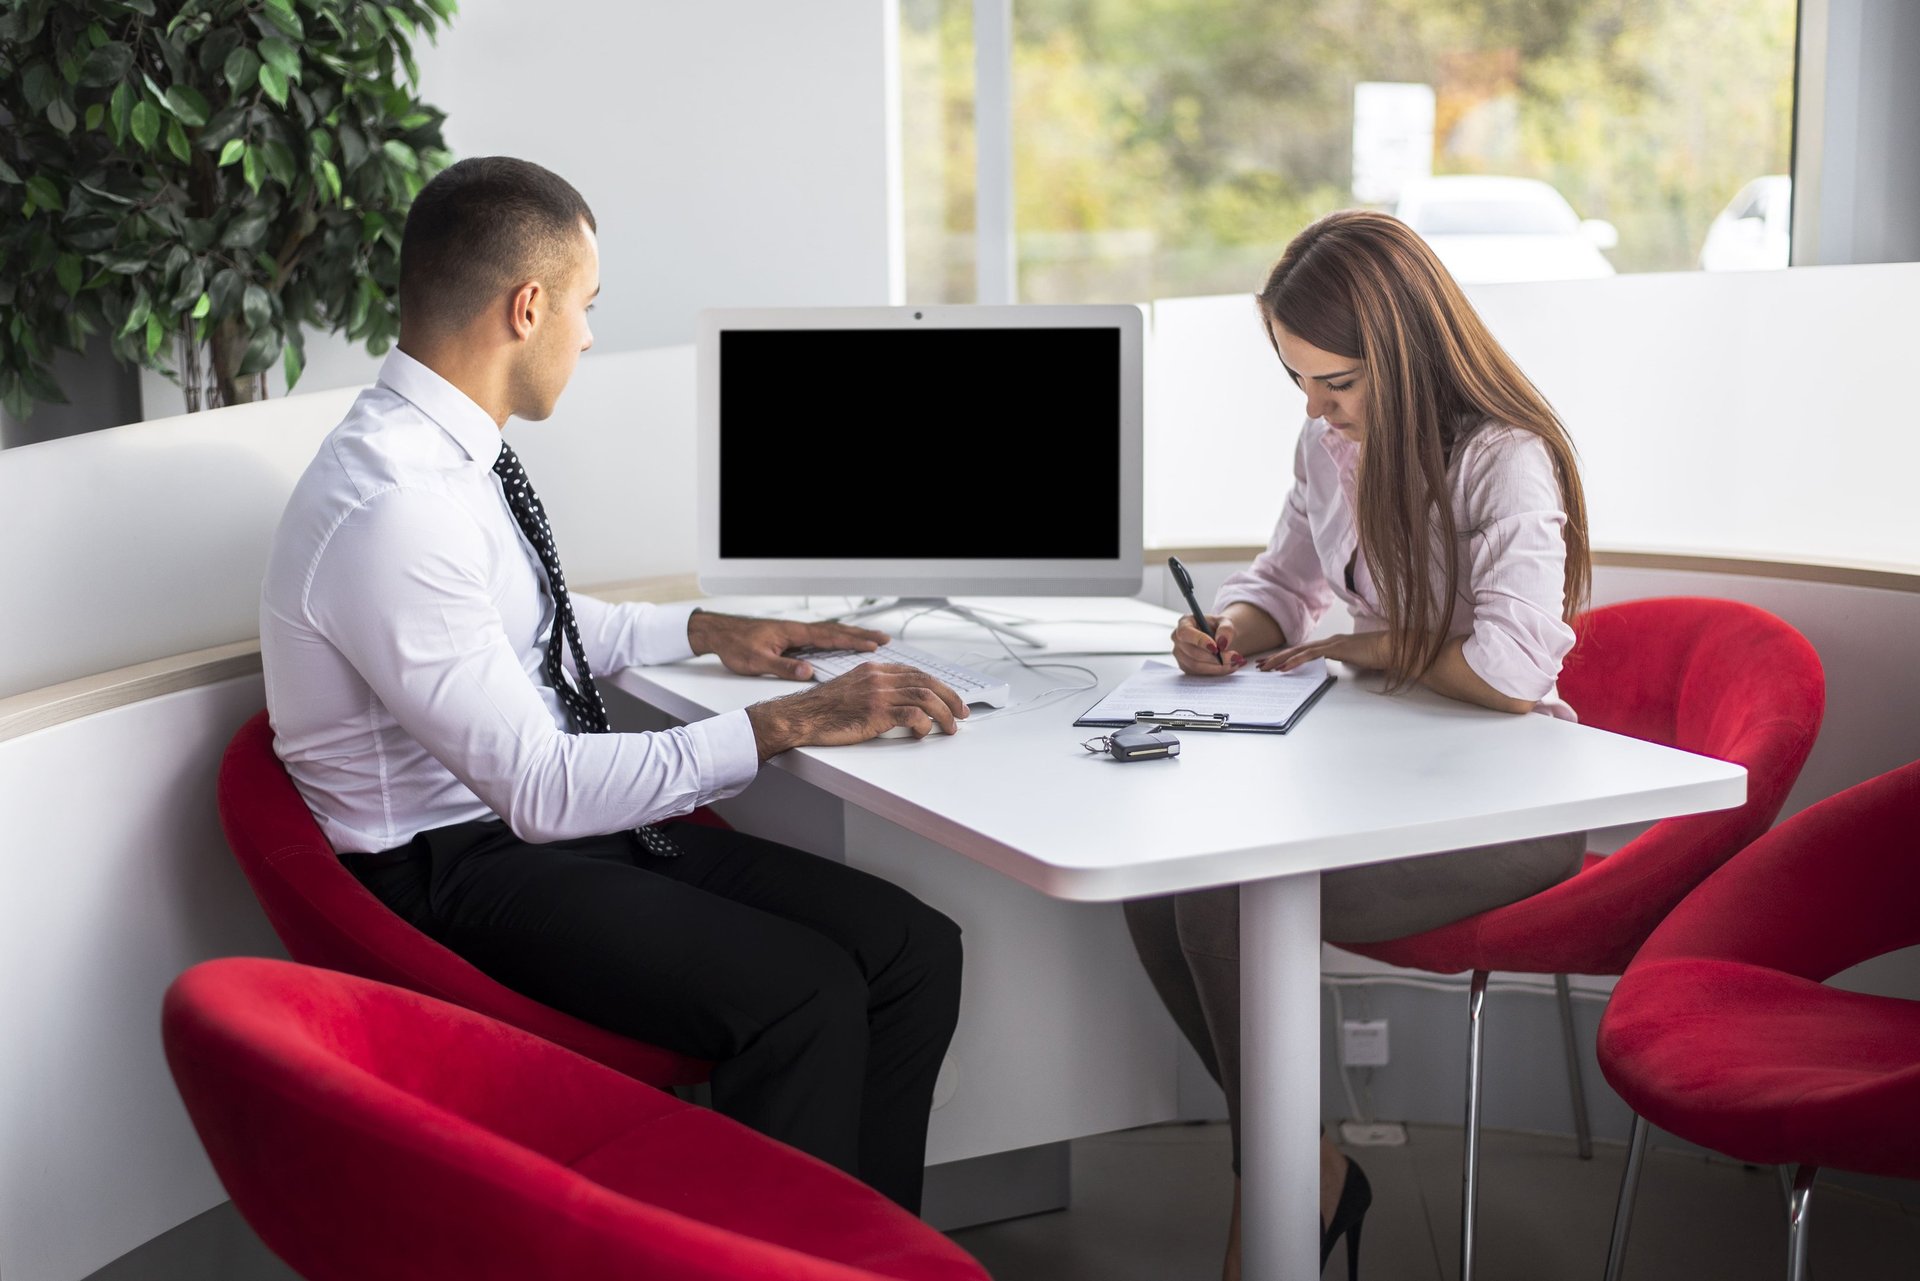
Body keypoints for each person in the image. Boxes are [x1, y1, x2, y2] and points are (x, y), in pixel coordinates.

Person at [259, 156, 970, 1213]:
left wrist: (700, 628)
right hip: (453, 869)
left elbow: (528, 623)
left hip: (525, 836)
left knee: (912, 949)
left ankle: (867, 1255)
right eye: (587, 308)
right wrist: (790, 722)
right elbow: (541, 791)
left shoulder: (446, 457)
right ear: (528, 306)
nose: (588, 336)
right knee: (805, 997)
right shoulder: (391, 505)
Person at [1124, 208, 1592, 1280]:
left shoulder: (1505, 460)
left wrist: (1367, 646)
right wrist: (1230, 632)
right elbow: (1287, 581)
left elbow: (1512, 674)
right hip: (1384, 776)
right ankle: (1305, 1169)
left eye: (1335, 381)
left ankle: (1282, 1193)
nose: (1314, 405)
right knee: (1157, 891)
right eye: (1297, 380)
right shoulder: (1328, 441)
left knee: (1223, 905)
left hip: (1510, 812)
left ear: (1408, 348)